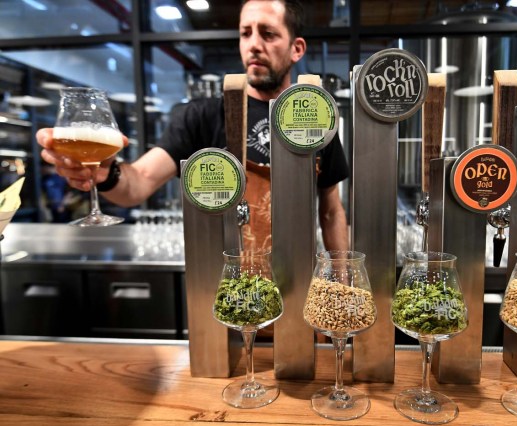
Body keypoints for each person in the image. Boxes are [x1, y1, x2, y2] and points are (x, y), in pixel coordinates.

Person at [36, 0, 349, 251]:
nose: (253, 45)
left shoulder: (317, 120)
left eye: (268, 34)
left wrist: (341, 278)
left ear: (297, 49)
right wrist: (108, 173)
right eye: (245, 33)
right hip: (221, 293)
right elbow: (140, 181)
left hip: (297, 291)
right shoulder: (200, 116)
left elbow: (331, 210)